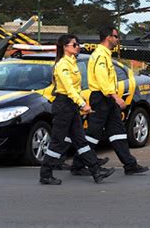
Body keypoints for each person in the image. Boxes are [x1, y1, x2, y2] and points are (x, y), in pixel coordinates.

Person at [39, 34, 115, 185]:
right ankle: (45, 174)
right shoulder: (62, 65)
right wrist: (83, 105)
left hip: (71, 106)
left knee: (80, 140)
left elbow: (77, 89)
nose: (78, 46)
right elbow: (69, 90)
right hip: (63, 105)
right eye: (74, 44)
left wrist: (79, 104)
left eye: (78, 44)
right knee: (58, 142)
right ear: (65, 47)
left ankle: (96, 171)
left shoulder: (73, 63)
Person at [74, 25, 149, 175]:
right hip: (102, 98)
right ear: (108, 37)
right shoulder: (100, 56)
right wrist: (116, 97)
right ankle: (78, 164)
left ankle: (130, 164)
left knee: (118, 132)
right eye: (115, 36)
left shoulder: (105, 55)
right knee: (93, 134)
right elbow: (103, 82)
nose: (117, 39)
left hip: (106, 99)